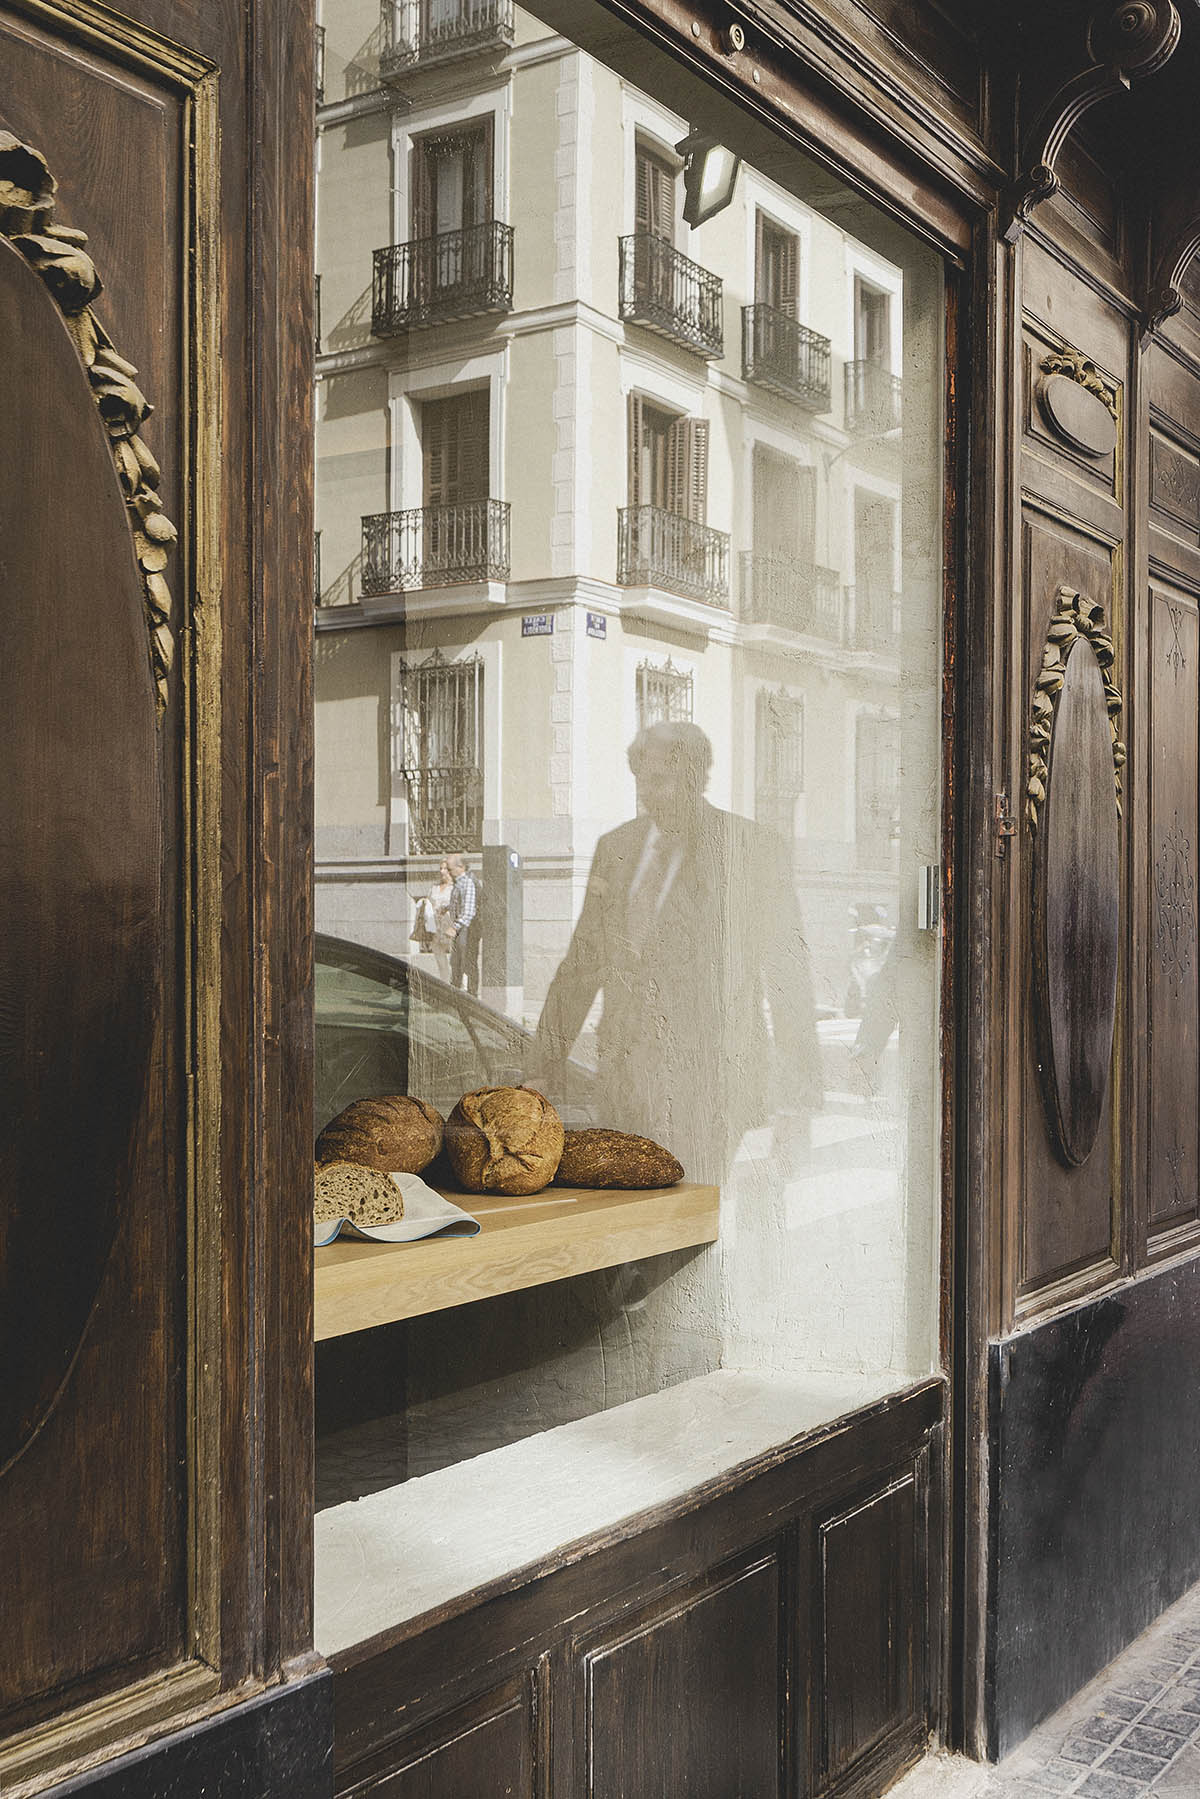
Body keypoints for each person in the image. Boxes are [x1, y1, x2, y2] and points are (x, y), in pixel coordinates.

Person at [531, 721, 821, 1182]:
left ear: (695, 777)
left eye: (659, 781)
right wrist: (543, 1067)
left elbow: (788, 970)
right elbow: (582, 966)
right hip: (625, 1082)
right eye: (641, 780)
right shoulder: (616, 847)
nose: (647, 793)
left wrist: (799, 1098)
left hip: (713, 1085)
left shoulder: (751, 848)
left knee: (698, 1219)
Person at [412, 858, 455, 983]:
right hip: (435, 926)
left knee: (455, 959)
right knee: (439, 957)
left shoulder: (454, 888)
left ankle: (459, 985)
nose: (442, 871)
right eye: (440, 868)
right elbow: (429, 904)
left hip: (449, 925)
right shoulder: (434, 888)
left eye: (445, 869)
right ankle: (445, 983)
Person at [446, 852, 479, 996]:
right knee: (455, 962)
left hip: (467, 929)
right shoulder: (458, 883)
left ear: (461, 867)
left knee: (467, 963)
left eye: (450, 869)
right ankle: (456, 993)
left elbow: (469, 911)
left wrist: (455, 927)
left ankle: (471, 994)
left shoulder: (467, 882)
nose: (448, 872)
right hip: (460, 928)